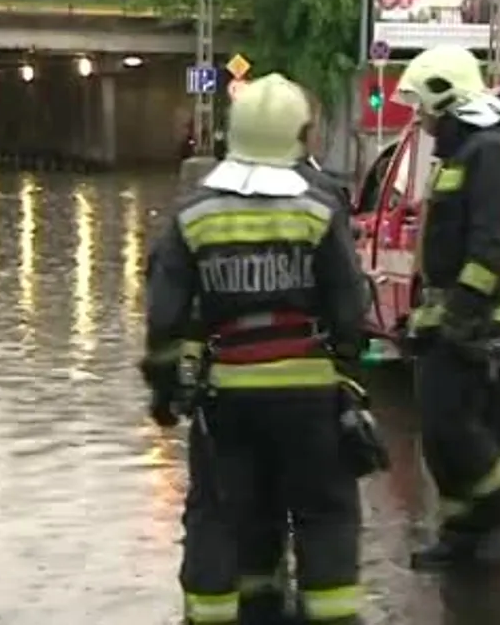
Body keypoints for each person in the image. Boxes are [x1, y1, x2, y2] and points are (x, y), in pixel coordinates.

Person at [141, 72, 371, 625]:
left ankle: (234, 610)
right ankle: (331, 615)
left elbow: (165, 317)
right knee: (325, 513)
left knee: (220, 515)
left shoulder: (193, 212)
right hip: (311, 398)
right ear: (298, 135)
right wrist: (347, 362)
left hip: (227, 400)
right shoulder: (320, 205)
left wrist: (166, 392)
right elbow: (348, 303)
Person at [392, 44, 500, 569]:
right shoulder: (459, 153)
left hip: (473, 324)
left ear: (446, 99)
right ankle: (461, 531)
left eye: (423, 106)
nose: (420, 118)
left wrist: (461, 314)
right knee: (438, 435)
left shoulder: (488, 152)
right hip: (446, 319)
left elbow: (489, 247)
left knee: (458, 429)